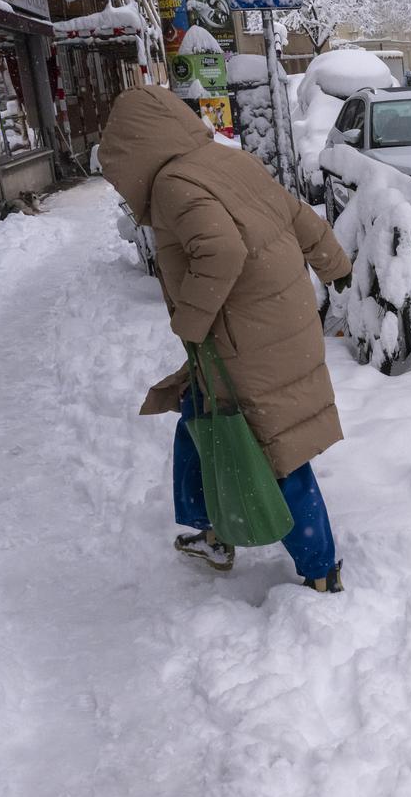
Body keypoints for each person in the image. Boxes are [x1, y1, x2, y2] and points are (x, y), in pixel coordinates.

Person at [99, 85, 352, 593]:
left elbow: (221, 251)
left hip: (244, 334)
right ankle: (211, 530)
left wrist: (189, 321)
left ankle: (321, 569)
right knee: (200, 418)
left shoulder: (173, 183)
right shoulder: (223, 160)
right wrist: (334, 266)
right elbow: (298, 214)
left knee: (268, 444)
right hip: (279, 316)